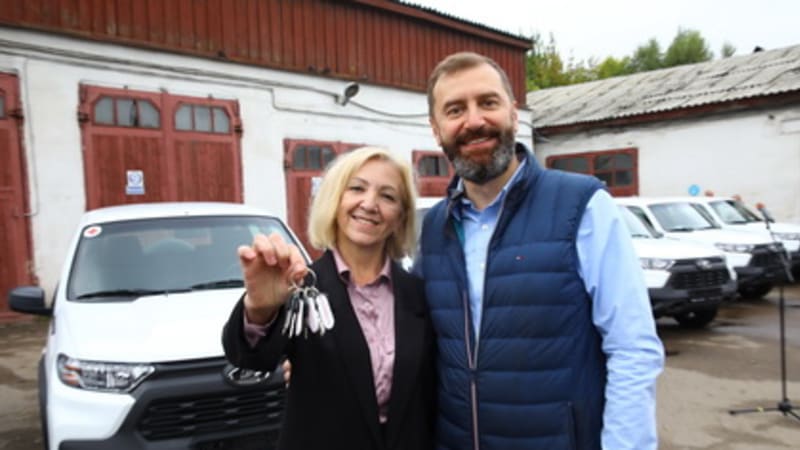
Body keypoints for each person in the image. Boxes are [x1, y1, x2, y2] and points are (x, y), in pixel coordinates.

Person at [415, 51, 665, 449]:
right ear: (436, 129)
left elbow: (632, 347)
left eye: (488, 102)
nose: (474, 121)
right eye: (455, 109)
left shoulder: (581, 206)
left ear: (514, 114)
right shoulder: (433, 227)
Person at [222, 146, 436, 450]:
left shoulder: (418, 293)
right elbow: (252, 358)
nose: (370, 204)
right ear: (334, 200)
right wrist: (259, 308)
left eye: (388, 196)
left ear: (400, 217)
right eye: (357, 188)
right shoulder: (299, 284)